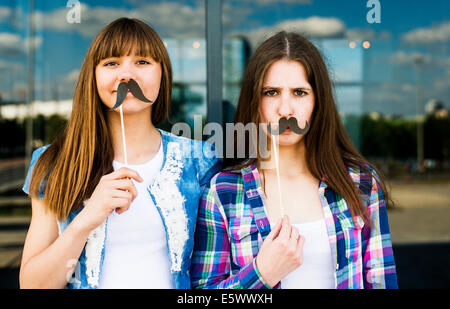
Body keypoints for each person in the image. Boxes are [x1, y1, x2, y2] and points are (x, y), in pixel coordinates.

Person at [20, 17, 221, 289]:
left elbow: (211, 276)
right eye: (111, 63)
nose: (126, 75)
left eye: (142, 62)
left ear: (163, 74)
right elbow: (32, 284)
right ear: (93, 75)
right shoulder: (52, 163)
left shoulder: (200, 160)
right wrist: (87, 218)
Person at [191, 31, 398, 289]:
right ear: (254, 101)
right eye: (271, 92)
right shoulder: (223, 192)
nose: (285, 109)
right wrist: (261, 274)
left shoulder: (360, 182)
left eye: (299, 92)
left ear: (318, 101)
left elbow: (382, 282)